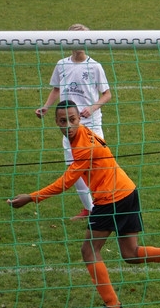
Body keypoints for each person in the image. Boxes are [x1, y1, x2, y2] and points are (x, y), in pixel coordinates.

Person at [8, 101, 160, 308]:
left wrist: (31, 198)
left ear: (79, 119)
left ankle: (113, 307)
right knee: (130, 254)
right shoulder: (81, 134)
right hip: (128, 191)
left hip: (111, 199)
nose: (69, 125)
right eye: (63, 121)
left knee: (89, 250)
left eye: (72, 120)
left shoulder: (83, 146)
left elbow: (65, 183)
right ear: (56, 122)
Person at [34, 24, 112, 221]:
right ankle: (91, 210)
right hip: (69, 127)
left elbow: (107, 94)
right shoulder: (62, 65)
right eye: (75, 39)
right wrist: (46, 107)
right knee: (73, 169)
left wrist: (92, 108)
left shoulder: (95, 66)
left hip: (92, 124)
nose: (79, 43)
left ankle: (107, 203)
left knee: (99, 166)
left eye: (82, 39)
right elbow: (56, 89)